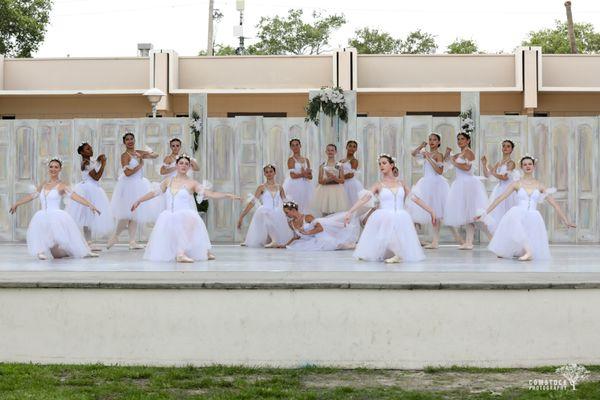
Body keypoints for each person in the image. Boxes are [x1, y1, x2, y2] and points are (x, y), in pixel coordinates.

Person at [132, 154, 240, 262]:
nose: (184, 166)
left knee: (192, 219)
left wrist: (227, 195)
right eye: (181, 163)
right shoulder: (168, 181)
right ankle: (198, 252)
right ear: (177, 165)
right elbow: (153, 193)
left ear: (189, 167)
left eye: (187, 164)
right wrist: (139, 200)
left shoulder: (192, 183)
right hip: (169, 215)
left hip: (184, 215)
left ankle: (181, 254)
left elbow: (210, 193)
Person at [476, 155, 575, 261]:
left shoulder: (540, 185)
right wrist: (485, 212)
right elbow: (500, 198)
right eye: (525, 164)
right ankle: (529, 252)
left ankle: (526, 251)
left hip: (533, 215)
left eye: (530, 164)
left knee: (522, 241)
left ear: (533, 166)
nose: (527, 166)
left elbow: (554, 204)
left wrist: (566, 220)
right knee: (513, 221)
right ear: (521, 167)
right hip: (518, 213)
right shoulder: (517, 184)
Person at [345, 154, 436, 263]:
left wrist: (431, 211)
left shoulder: (401, 183)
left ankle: (398, 254)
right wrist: (350, 212)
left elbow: (415, 199)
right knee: (384, 233)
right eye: (379, 164)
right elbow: (365, 198)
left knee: (395, 234)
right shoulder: (379, 185)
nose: (381, 166)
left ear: (391, 165)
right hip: (384, 215)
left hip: (401, 215)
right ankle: (395, 254)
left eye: (384, 163)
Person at [9, 158, 100, 260]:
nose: (53, 169)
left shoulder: (62, 185)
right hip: (42, 216)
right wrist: (17, 203)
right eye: (51, 166)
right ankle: (40, 251)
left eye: (56, 167)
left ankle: (74, 251)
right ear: (48, 168)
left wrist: (89, 204)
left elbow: (75, 196)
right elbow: (32, 195)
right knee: (40, 226)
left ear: (60, 169)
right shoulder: (43, 184)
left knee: (56, 255)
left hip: (55, 217)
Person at [108, 132, 161, 250]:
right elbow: (127, 173)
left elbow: (156, 155)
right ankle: (115, 236)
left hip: (139, 184)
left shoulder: (138, 152)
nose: (130, 141)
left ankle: (132, 241)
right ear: (124, 142)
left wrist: (146, 154)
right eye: (127, 139)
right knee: (126, 214)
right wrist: (140, 165)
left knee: (135, 214)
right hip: (128, 186)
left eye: (132, 139)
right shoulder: (125, 155)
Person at [443, 132, 489, 250]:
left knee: (474, 215)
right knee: (468, 215)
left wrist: (454, 162)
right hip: (460, 184)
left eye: (462, 139)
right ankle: (469, 242)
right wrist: (448, 154)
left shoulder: (469, 152)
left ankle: (492, 238)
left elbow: (468, 168)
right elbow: (445, 162)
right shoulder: (459, 153)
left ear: (468, 140)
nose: (460, 141)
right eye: (458, 139)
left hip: (468, 184)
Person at [67, 142, 114, 250]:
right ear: (82, 152)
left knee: (89, 216)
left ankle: (89, 242)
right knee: (86, 216)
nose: (91, 150)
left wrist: (98, 160)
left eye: (91, 148)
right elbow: (96, 177)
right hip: (88, 190)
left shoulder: (90, 161)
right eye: (88, 149)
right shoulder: (85, 162)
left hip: (93, 189)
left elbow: (95, 166)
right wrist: (103, 164)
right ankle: (87, 242)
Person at [407, 133, 449, 249]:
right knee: (416, 208)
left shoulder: (438, 155)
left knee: (436, 212)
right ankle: (415, 239)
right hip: (424, 183)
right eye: (430, 139)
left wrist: (428, 158)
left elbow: (440, 171)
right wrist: (421, 146)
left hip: (435, 184)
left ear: (439, 142)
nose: (431, 141)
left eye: (434, 140)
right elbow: (413, 154)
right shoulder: (426, 152)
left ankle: (435, 241)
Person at [237, 164, 293, 248]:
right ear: (264, 174)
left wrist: (292, 213)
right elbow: (253, 202)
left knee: (274, 216)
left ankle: (275, 240)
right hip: (265, 210)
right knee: (265, 213)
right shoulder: (261, 187)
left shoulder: (280, 187)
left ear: (274, 173)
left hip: (277, 211)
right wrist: (242, 215)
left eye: (271, 171)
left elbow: (285, 202)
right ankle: (272, 240)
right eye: (266, 172)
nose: (269, 174)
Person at [281, 201, 359, 251]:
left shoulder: (308, 217)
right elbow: (296, 237)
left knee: (333, 244)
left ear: (294, 210)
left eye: (287, 212)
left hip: (319, 235)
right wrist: (286, 245)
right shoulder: (291, 223)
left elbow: (320, 228)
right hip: (308, 241)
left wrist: (307, 232)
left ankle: (352, 245)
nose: (286, 215)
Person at [481, 139, 518, 232]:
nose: (505, 148)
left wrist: (493, 172)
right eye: (504, 146)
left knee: (508, 214)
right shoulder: (499, 162)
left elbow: (504, 177)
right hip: (499, 189)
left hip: (508, 191)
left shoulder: (511, 163)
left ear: (512, 149)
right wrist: (484, 164)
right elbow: (487, 175)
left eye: (508, 146)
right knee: (498, 214)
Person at [311, 144, 348, 216]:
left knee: (335, 212)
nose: (330, 152)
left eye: (332, 150)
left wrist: (334, 178)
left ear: (335, 152)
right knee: (325, 212)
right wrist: (328, 179)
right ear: (326, 152)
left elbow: (342, 180)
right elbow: (320, 181)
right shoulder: (323, 165)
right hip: (324, 191)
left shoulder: (338, 165)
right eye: (328, 150)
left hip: (336, 191)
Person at [282, 138, 314, 213]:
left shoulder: (306, 160)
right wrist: (304, 174)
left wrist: (306, 174)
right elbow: (292, 175)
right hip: (294, 186)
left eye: (297, 145)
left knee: (306, 205)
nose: (295, 147)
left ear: (300, 146)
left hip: (306, 185)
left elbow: (310, 177)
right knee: (295, 204)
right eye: (293, 145)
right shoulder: (291, 160)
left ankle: (304, 222)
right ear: (291, 148)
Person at [339, 139, 364, 206]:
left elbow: (351, 175)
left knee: (350, 202)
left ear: (356, 149)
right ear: (346, 147)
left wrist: (339, 178)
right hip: (341, 183)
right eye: (350, 146)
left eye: (354, 147)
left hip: (350, 184)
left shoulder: (354, 160)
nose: (352, 148)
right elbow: (337, 171)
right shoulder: (341, 160)